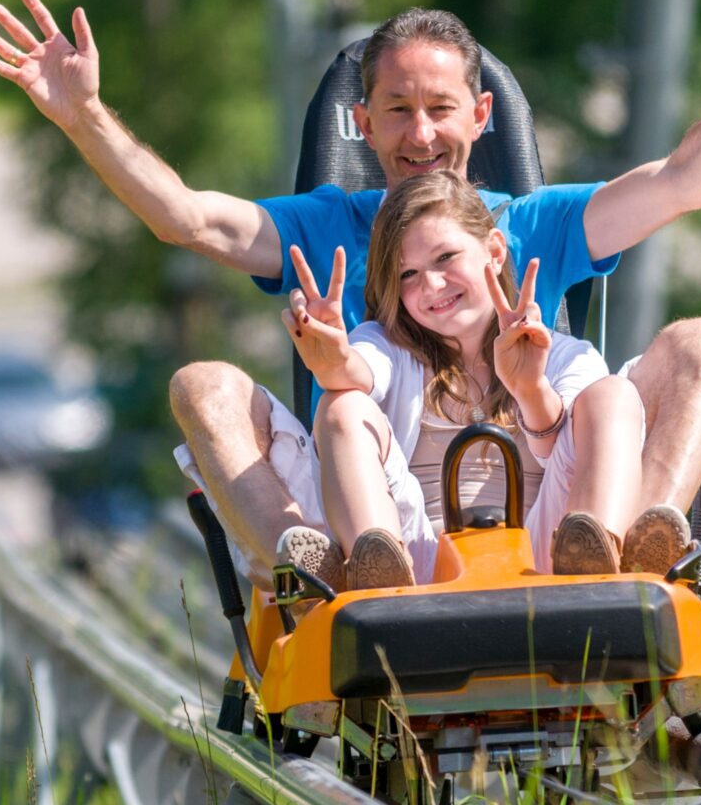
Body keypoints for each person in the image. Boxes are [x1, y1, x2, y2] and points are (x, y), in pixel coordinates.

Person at [0, 0, 701, 589]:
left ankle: (640, 552)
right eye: (396, 111)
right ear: (360, 125)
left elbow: (686, 182)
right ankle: (311, 577)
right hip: (390, 505)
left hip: (544, 496)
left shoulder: (538, 224)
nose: (421, 134)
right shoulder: (329, 226)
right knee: (203, 385)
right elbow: (186, 220)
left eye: (440, 108)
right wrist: (85, 118)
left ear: (481, 116)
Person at [278, 171, 649, 589]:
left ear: (493, 251)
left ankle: (598, 567)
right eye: (408, 275)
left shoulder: (565, 355)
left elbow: (559, 450)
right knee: (342, 405)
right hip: (420, 569)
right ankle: (376, 582)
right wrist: (333, 362)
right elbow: (360, 371)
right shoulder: (388, 347)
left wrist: (530, 390)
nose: (432, 285)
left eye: (444, 258)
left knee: (614, 395)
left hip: (548, 559)